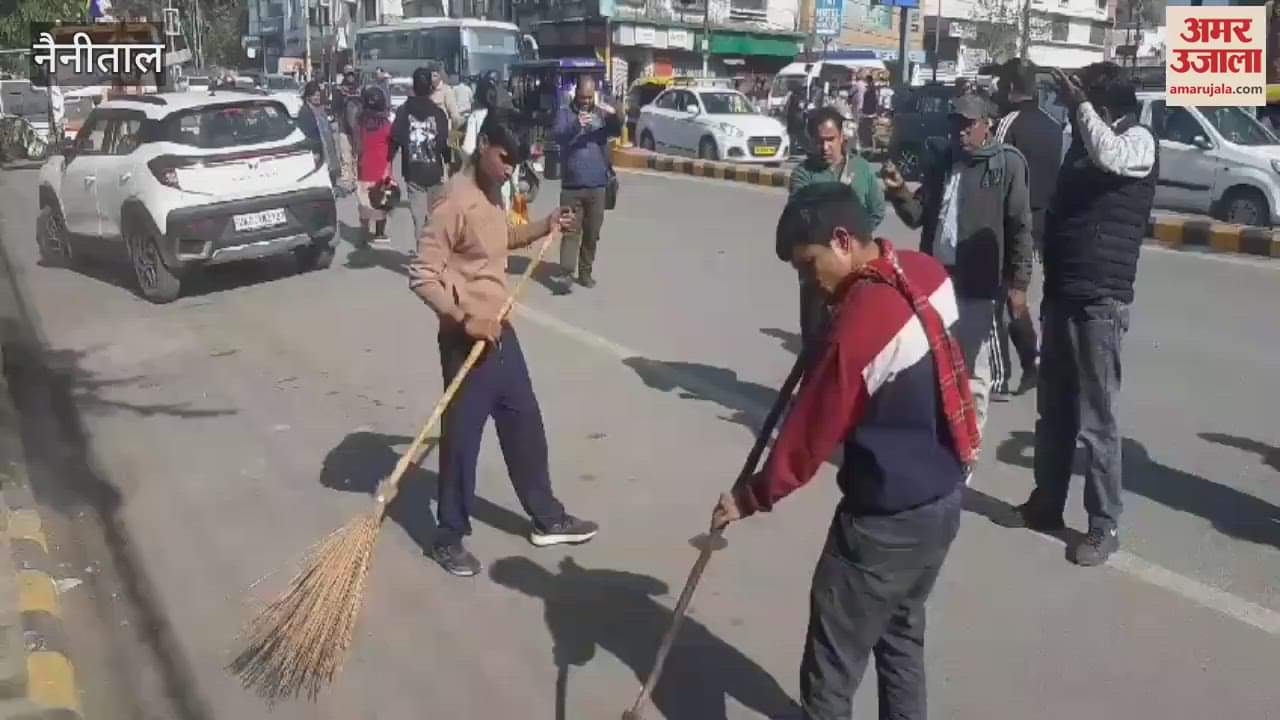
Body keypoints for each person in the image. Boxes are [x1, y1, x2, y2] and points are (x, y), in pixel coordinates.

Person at [713, 182, 978, 720]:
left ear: (841, 240)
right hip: (943, 501)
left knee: (831, 670)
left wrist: (750, 496)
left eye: (809, 265)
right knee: (901, 637)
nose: (809, 281)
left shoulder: (858, 327)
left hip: (883, 525)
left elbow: (808, 436)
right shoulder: (926, 272)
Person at [407, 108, 599, 577]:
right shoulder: (453, 201)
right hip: (465, 339)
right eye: (504, 159)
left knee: (524, 423)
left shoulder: (494, 192)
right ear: (483, 146)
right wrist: (464, 318)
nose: (510, 170)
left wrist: (545, 225)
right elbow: (422, 275)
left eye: (517, 161)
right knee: (462, 442)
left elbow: (498, 241)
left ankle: (547, 517)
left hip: (499, 332)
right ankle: (448, 537)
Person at [1007, 65, 1157, 567]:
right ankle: (1046, 503)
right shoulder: (1084, 144)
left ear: (1105, 106)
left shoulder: (1138, 141)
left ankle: (1102, 524)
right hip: (1064, 295)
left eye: (1087, 101)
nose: (1077, 110)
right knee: (1055, 413)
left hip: (1100, 302)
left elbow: (1109, 154)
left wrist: (1080, 106)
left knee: (1097, 422)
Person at [881, 94, 1033, 450]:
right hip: (937, 281)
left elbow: (1020, 226)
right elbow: (917, 216)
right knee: (936, 363)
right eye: (956, 126)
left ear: (986, 125)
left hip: (978, 283)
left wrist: (1019, 283)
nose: (960, 133)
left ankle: (969, 447)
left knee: (973, 370)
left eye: (968, 125)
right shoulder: (943, 162)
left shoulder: (1006, 164)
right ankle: (941, 440)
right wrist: (899, 190)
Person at [788, 106, 886, 358]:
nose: (825, 147)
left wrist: (855, 243)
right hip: (818, 276)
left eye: (830, 139)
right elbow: (802, 219)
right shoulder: (803, 175)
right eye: (819, 140)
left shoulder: (861, 169)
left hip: (856, 274)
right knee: (815, 347)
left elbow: (877, 210)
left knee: (852, 345)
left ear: (842, 136)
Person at [991, 58, 1062, 398]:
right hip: (1047, 223)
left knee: (1004, 298)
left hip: (1014, 223)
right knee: (1022, 297)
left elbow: (995, 170)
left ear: (1008, 88)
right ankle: (1035, 364)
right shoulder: (1054, 125)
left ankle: (1007, 371)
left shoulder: (1008, 123)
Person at [551, 76, 621, 292]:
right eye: (583, 97)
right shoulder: (564, 113)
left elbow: (617, 129)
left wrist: (615, 112)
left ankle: (585, 272)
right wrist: (575, 125)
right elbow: (557, 135)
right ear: (576, 95)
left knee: (592, 233)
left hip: (597, 186)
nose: (586, 102)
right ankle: (566, 274)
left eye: (590, 98)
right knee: (570, 231)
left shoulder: (601, 113)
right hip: (572, 186)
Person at [388, 67, 451, 245]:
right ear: (431, 87)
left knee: (419, 218)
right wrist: (449, 162)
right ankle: (435, 252)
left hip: (413, 172)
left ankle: (422, 253)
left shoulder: (403, 111)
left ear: (413, 87)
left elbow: (395, 138)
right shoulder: (439, 113)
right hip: (435, 172)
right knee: (435, 217)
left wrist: (388, 164)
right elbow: (444, 142)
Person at [356, 86, 394, 244]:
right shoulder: (385, 124)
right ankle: (379, 233)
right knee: (382, 201)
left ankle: (363, 233)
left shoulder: (360, 123)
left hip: (364, 167)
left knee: (364, 201)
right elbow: (392, 142)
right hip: (382, 168)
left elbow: (356, 143)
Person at [297, 80, 340, 188]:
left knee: (330, 176)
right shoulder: (305, 111)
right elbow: (307, 134)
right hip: (316, 151)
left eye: (318, 95)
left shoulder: (321, 109)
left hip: (327, 148)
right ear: (308, 97)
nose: (317, 97)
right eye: (314, 95)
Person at [430, 66, 465, 130]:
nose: (432, 78)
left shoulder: (446, 90)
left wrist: (458, 124)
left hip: (442, 128)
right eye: (430, 76)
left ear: (440, 77)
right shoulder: (427, 90)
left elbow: (454, 112)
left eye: (435, 76)